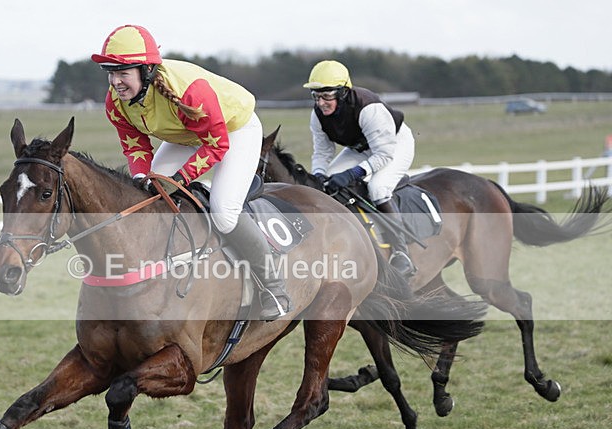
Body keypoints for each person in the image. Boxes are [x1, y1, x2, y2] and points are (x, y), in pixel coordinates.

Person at [91, 24, 291, 320]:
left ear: (146, 71)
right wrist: (140, 178)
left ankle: (274, 287)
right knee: (147, 197)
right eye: (111, 72)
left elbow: (216, 145)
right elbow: (135, 146)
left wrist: (180, 180)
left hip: (234, 131)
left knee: (224, 213)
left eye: (123, 73)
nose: (115, 82)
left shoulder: (189, 92)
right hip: (187, 136)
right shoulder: (115, 102)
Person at [304, 60, 416, 276]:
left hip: (393, 144)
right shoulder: (317, 115)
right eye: (316, 96)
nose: (321, 103)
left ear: (343, 93)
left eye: (327, 95)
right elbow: (321, 153)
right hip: (360, 148)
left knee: (378, 188)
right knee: (326, 183)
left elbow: (383, 154)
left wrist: (353, 173)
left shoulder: (369, 108)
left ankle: (402, 253)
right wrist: (318, 175)